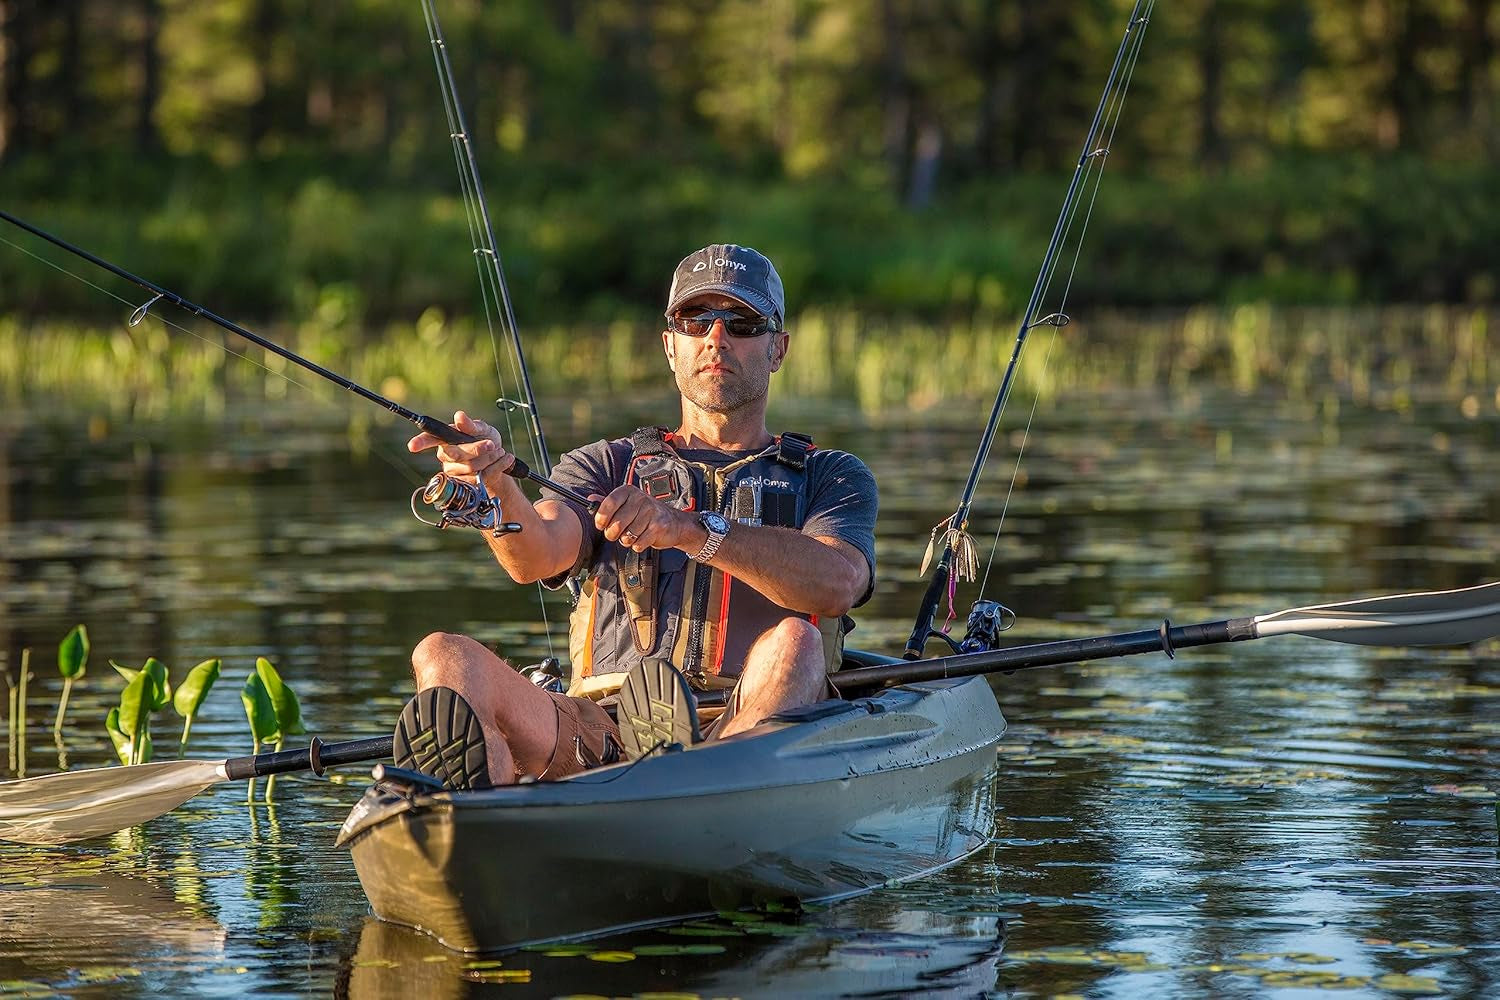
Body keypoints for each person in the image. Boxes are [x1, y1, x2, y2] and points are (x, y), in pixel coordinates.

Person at [394, 244, 878, 789]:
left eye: (741, 322)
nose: (716, 338)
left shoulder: (830, 475)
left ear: (777, 348)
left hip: (751, 729)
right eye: (695, 321)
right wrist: (498, 485)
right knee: (443, 656)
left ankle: (700, 777)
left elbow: (838, 583)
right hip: (601, 728)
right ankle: (472, 821)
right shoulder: (609, 464)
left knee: (798, 641)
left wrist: (691, 530)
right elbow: (537, 553)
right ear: (671, 345)